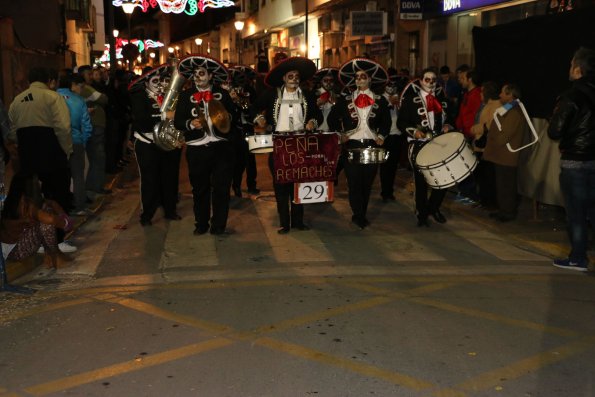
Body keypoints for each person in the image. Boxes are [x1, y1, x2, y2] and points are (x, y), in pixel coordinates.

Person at [7, 66, 76, 253]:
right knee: (58, 195)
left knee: (33, 197)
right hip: (52, 152)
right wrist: (66, 150)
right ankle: (58, 240)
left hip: (28, 156)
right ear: (48, 80)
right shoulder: (53, 98)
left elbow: (13, 132)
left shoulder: (16, 101)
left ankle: (36, 239)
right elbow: (63, 127)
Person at [254, 57, 322, 234]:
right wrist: (259, 118)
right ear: (284, 78)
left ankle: (298, 221)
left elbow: (318, 115)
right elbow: (253, 107)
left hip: (300, 144)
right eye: (290, 75)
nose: (294, 78)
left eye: (297, 76)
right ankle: (285, 223)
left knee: (298, 185)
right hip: (279, 145)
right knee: (281, 186)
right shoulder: (272, 94)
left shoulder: (307, 95)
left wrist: (312, 123)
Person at [174, 55, 239, 235]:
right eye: (195, 74)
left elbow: (233, 118)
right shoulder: (186, 95)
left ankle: (218, 225)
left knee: (221, 189)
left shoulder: (222, 94)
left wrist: (224, 119)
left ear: (210, 76)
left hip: (220, 148)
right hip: (196, 148)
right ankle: (201, 223)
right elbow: (178, 121)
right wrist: (189, 123)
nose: (197, 77)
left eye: (201, 73)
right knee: (200, 189)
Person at [328, 58, 391, 229]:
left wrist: (382, 136)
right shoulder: (345, 99)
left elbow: (386, 122)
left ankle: (361, 211)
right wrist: (340, 135)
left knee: (367, 183)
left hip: (371, 144)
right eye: (357, 77)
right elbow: (331, 118)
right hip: (352, 144)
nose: (360, 80)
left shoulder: (381, 100)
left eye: (363, 77)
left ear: (370, 79)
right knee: (354, 182)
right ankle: (358, 215)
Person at [547, 46, 595, 272]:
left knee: (576, 212)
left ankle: (578, 257)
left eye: (571, 64)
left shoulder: (571, 96)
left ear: (578, 69)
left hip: (575, 162)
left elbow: (555, 131)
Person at [397, 68, 453, 227]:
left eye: (433, 80)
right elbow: (401, 122)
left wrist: (448, 124)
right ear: (421, 81)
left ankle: (433, 208)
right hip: (419, 145)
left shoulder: (443, 101)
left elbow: (451, 117)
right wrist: (414, 132)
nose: (430, 83)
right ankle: (422, 213)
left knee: (443, 180)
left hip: (439, 145)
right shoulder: (410, 100)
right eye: (427, 80)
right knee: (421, 181)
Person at [129, 64, 182, 226]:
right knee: (150, 180)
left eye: (162, 80)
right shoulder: (139, 97)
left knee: (170, 178)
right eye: (155, 80)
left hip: (167, 142)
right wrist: (164, 116)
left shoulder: (169, 96)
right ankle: (147, 215)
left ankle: (170, 210)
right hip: (147, 143)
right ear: (146, 83)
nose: (160, 84)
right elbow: (142, 120)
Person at [0, 174, 73, 269]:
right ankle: (55, 256)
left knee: (46, 214)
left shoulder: (11, 201)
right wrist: (66, 223)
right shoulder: (26, 205)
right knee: (46, 223)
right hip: (16, 251)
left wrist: (51, 204)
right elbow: (50, 219)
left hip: (7, 250)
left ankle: (50, 254)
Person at [482, 83, 527, 222]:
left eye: (503, 93)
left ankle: (508, 212)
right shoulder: (509, 109)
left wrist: (493, 136)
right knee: (502, 184)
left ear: (511, 96)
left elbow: (504, 135)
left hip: (507, 155)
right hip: (502, 155)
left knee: (506, 185)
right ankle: (503, 210)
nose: (500, 95)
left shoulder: (514, 112)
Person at [57, 73, 93, 216]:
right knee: (78, 175)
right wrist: (82, 140)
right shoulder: (79, 100)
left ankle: (62, 207)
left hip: (57, 142)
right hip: (76, 140)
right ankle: (80, 207)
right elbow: (86, 125)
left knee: (60, 175)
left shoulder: (52, 97)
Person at [78, 65, 110, 197]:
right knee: (98, 156)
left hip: (93, 126)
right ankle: (96, 186)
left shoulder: (86, 88)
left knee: (94, 157)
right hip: (94, 126)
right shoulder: (86, 89)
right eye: (89, 74)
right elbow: (103, 98)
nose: (91, 77)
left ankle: (93, 185)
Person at [229, 66, 260, 197]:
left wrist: (245, 105)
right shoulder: (226, 92)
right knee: (234, 160)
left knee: (249, 159)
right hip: (233, 130)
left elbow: (254, 108)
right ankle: (235, 186)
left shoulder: (250, 91)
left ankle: (251, 185)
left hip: (247, 128)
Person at [379, 68, 405, 202]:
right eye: (390, 85)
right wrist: (390, 103)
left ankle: (390, 191)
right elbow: (380, 115)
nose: (392, 87)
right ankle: (385, 191)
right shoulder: (380, 98)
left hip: (397, 135)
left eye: (394, 85)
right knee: (385, 165)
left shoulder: (400, 97)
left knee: (393, 165)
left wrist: (399, 103)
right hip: (386, 136)